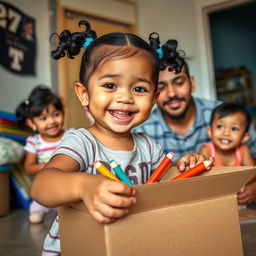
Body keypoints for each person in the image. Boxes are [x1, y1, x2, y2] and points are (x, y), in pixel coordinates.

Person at [29, 20, 214, 255]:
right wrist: (85, 186)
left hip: (127, 244)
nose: (125, 97)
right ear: (84, 94)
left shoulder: (148, 145)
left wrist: (187, 166)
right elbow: (42, 186)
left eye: (139, 89)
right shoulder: (81, 142)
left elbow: (170, 181)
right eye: (110, 85)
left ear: (154, 99)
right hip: (76, 247)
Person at [133, 36, 256, 163]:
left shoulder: (229, 116)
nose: (172, 93)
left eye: (179, 83)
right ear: (153, 93)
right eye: (161, 87)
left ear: (192, 83)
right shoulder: (142, 131)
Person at [15, 85, 66, 224]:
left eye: (56, 114)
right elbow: (29, 168)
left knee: (68, 212)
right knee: (35, 216)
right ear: (32, 123)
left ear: (63, 113)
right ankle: (38, 208)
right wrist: (46, 166)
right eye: (43, 118)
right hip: (44, 189)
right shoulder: (34, 141)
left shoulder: (70, 135)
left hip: (66, 188)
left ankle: (63, 211)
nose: (51, 121)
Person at [199, 102, 256, 205]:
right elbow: (202, 178)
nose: (226, 133)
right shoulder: (207, 149)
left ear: (245, 137)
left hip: (237, 199)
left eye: (234, 129)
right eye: (220, 126)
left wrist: (244, 186)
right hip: (213, 199)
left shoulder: (243, 149)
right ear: (210, 131)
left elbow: (252, 174)